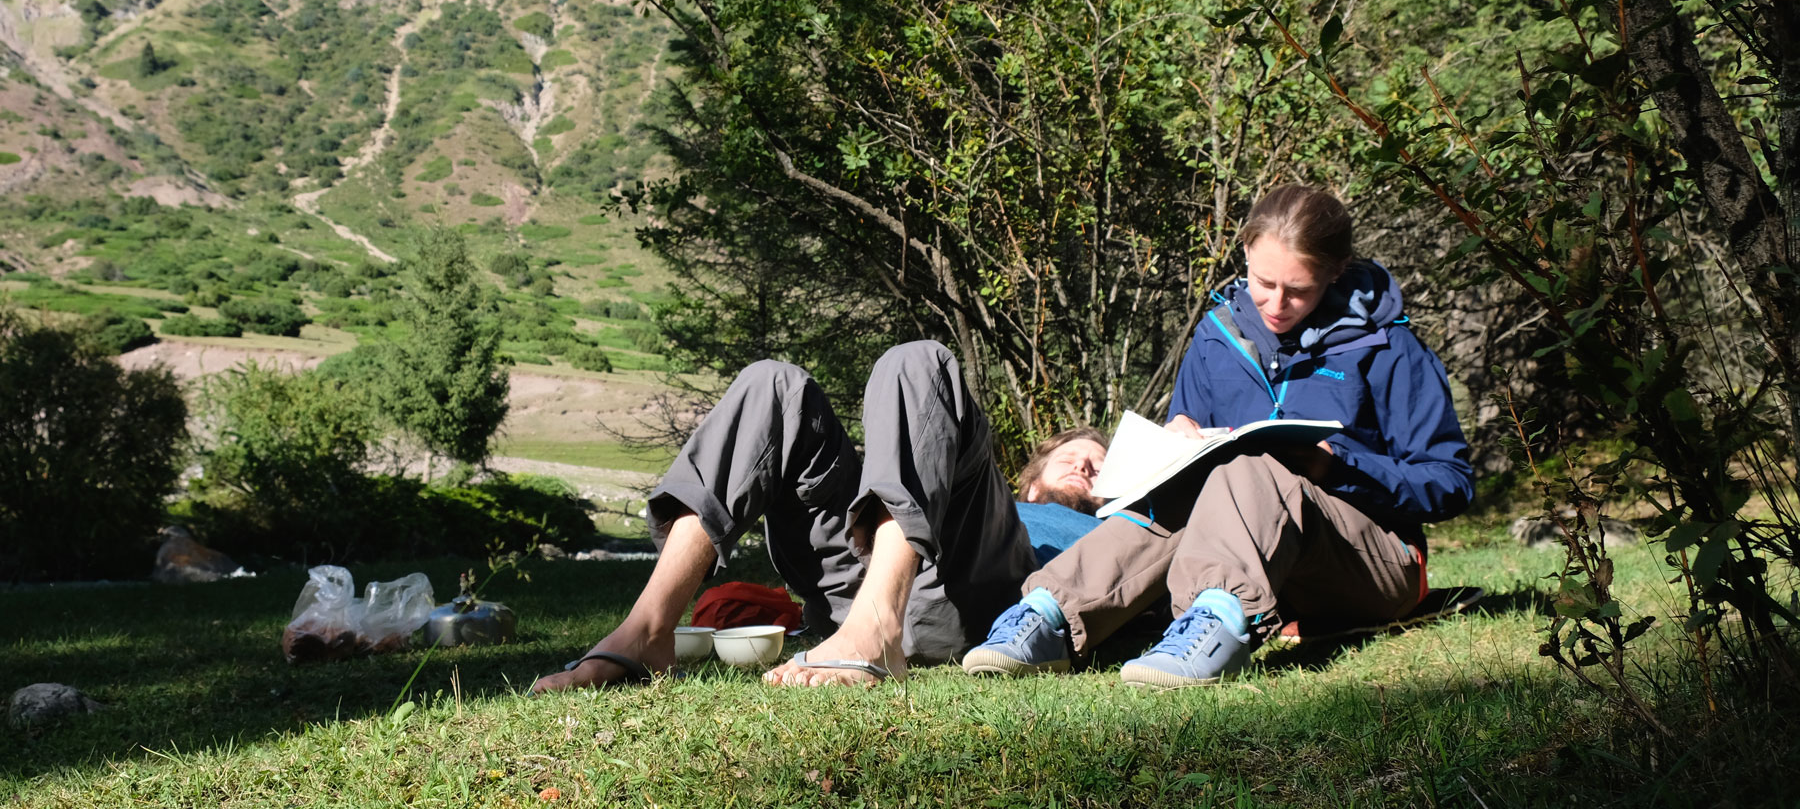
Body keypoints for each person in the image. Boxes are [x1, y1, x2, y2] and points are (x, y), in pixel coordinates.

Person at [962, 185, 1474, 687]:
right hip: (1265, 566)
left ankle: (1217, 627)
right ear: (1246, 251)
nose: (1277, 303)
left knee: (1254, 469)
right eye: (1263, 281)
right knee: (1184, 486)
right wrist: (1176, 441)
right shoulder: (1215, 338)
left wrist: (1336, 467)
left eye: (1299, 289)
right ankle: (1046, 616)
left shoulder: (1388, 347)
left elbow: (1449, 481)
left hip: (1373, 566)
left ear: (1336, 272)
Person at [530, 340, 1109, 692]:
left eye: (1098, 467)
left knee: (916, 361)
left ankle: (878, 630)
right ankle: (647, 631)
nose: (1085, 469)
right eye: (1072, 459)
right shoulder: (1005, 493)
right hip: (855, 578)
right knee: (773, 383)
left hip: (964, 586)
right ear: (1030, 480)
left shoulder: (1110, 526)